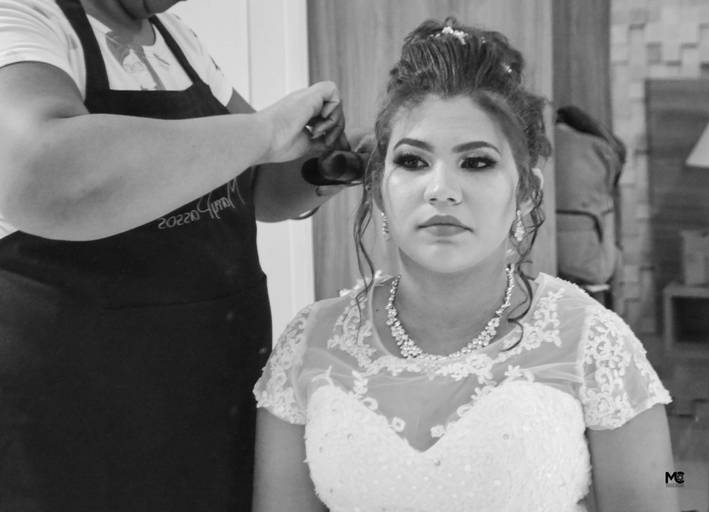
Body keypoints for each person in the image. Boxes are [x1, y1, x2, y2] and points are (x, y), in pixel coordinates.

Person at [252, 17, 679, 512]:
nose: (441, 190)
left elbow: (665, 486)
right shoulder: (309, 343)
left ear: (526, 192)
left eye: (476, 162)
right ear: (378, 190)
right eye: (413, 162)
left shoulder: (596, 344)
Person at [0, 0, 356, 510]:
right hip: (75, 427)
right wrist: (265, 131)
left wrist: (331, 166)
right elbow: (43, 172)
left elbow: (259, 187)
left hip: (212, 408)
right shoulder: (22, 21)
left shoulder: (177, 39)